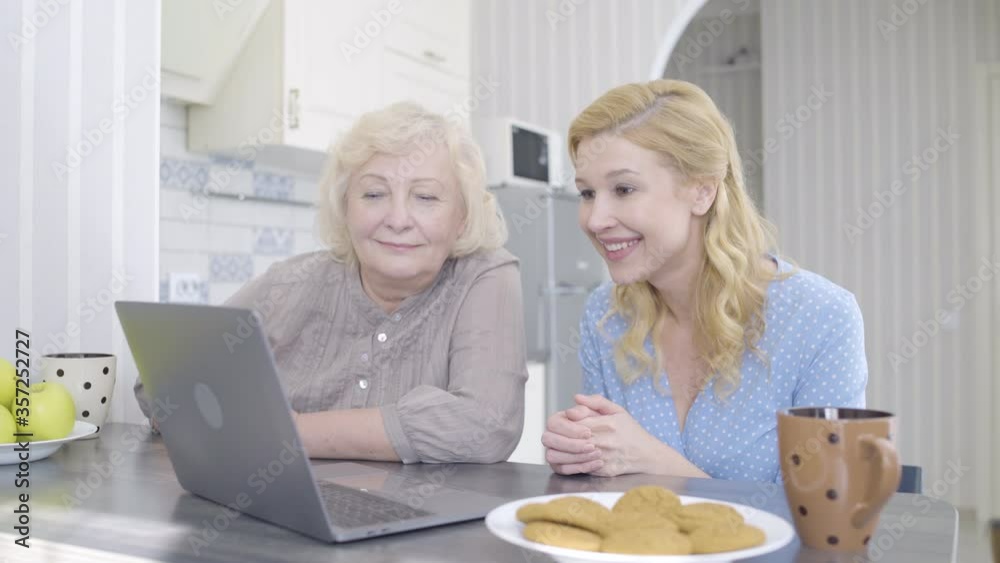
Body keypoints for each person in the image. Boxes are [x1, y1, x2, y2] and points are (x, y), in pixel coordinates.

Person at [135, 102, 528, 464]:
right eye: (373, 193)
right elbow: (161, 382)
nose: (397, 218)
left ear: (462, 216)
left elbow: (484, 425)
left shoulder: (485, 276)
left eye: (425, 197)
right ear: (345, 209)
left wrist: (284, 432)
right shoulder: (290, 283)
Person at [542, 79, 867, 482]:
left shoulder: (821, 318)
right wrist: (580, 455)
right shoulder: (605, 313)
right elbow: (608, 486)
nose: (595, 219)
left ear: (701, 192)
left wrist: (657, 464)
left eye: (623, 189)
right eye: (587, 193)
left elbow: (824, 521)